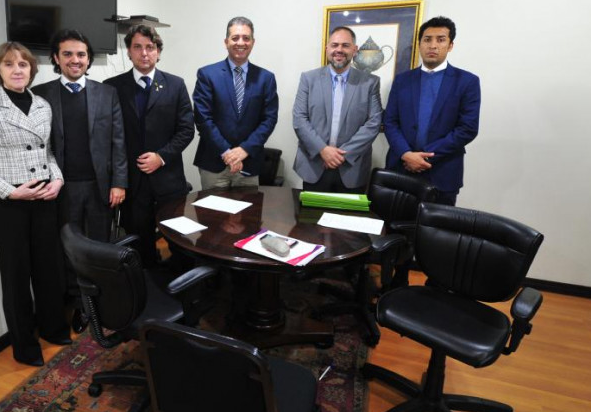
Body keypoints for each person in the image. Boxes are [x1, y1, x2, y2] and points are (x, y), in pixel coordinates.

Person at [0, 42, 69, 367]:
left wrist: (58, 179)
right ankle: (25, 346)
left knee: (49, 269)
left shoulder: (42, 105)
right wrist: (10, 191)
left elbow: (48, 153)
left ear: (32, 70)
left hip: (45, 199)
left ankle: (54, 328)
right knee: (17, 276)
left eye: (23, 64)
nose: (18, 69)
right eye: (9, 64)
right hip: (10, 205)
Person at [105, 25, 194, 267]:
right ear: (129, 52)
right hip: (133, 183)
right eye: (138, 47)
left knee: (179, 241)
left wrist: (161, 156)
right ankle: (146, 293)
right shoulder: (112, 87)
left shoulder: (176, 85)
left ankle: (182, 290)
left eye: (150, 47)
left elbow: (186, 130)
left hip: (169, 180)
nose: (144, 53)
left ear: (158, 52)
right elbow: (110, 135)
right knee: (138, 244)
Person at [32, 29, 127, 241]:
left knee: (100, 244)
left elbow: (118, 142)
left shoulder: (107, 93)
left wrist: (119, 183)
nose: (75, 60)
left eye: (81, 55)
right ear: (56, 58)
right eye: (67, 54)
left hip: (100, 187)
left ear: (88, 58)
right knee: (65, 247)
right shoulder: (40, 94)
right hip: (60, 187)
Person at [384, 16, 481, 205]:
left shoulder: (467, 81)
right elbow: (390, 121)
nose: (433, 45)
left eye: (441, 39)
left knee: (436, 233)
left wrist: (423, 156)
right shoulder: (403, 80)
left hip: (442, 172)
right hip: (400, 168)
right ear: (419, 44)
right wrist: (406, 154)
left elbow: (467, 128)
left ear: (450, 45)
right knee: (395, 229)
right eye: (427, 39)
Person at [292, 26, 383, 193]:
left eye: (345, 45)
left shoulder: (370, 82)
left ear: (355, 50)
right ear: (327, 48)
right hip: (314, 166)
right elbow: (299, 118)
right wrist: (323, 150)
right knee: (309, 218)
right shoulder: (308, 79)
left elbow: (374, 123)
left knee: (348, 218)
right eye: (334, 45)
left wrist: (341, 155)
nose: (339, 50)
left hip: (352, 168)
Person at [193, 16, 278, 189]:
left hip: (249, 164)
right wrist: (227, 153)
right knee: (210, 215)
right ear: (226, 42)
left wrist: (244, 150)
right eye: (235, 37)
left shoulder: (266, 78)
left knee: (248, 214)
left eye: (246, 38)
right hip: (214, 164)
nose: (241, 42)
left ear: (253, 42)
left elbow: (269, 120)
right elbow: (203, 119)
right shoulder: (207, 74)